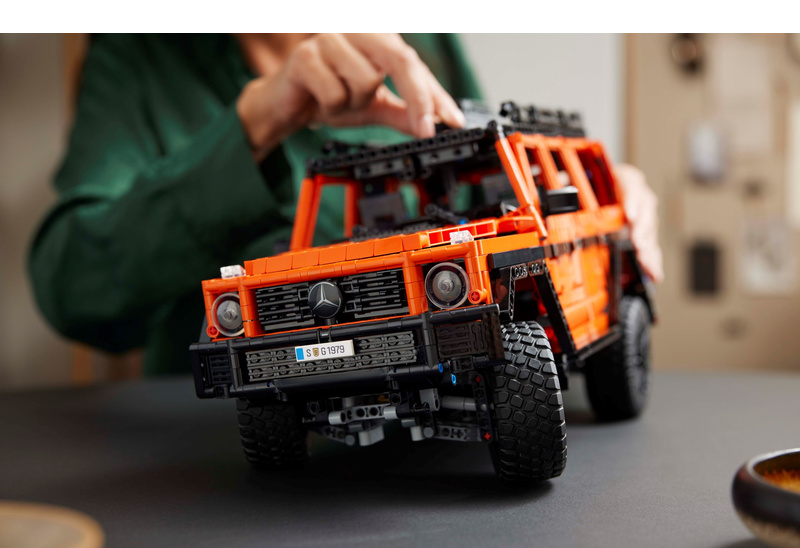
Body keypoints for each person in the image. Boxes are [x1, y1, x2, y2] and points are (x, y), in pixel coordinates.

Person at [29, 33, 663, 375]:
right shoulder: (139, 52)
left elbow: (493, 183)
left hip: (456, 382)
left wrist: (596, 187)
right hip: (215, 449)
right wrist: (255, 122)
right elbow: (71, 289)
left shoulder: (423, 40)